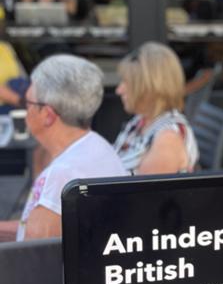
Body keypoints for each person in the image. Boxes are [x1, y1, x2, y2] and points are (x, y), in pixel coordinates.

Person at [0, 55, 127, 242]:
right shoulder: (97, 145)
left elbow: (31, 254)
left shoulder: (62, 175)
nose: (25, 111)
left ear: (48, 116)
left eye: (28, 104)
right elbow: (33, 231)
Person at [114, 42, 199, 174]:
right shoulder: (143, 119)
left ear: (148, 89)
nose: (119, 90)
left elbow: (143, 193)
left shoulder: (167, 140)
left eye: (127, 83)